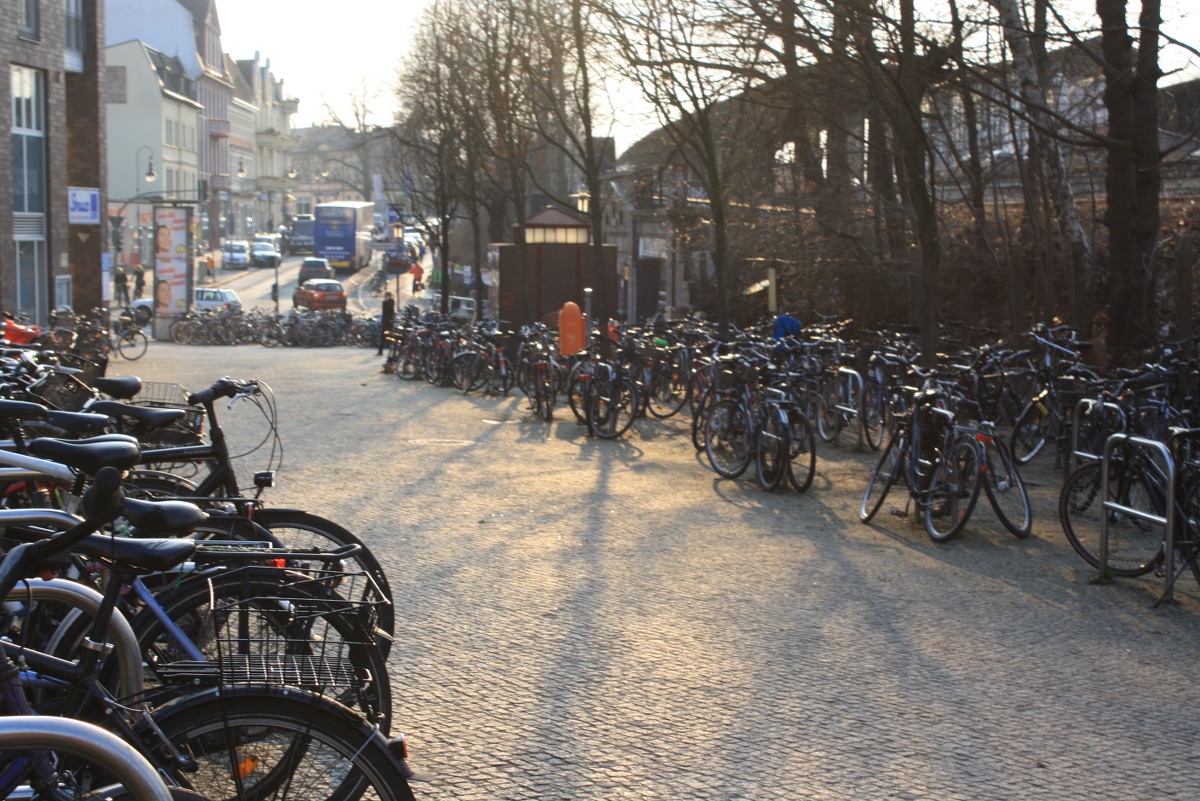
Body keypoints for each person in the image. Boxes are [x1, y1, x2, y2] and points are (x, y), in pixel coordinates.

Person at [377, 291, 396, 356]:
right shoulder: (385, 302)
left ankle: (392, 350)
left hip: (389, 322)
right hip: (385, 322)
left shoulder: (391, 302)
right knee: (383, 337)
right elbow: (384, 313)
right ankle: (380, 351)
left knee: (389, 336)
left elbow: (388, 310)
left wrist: (387, 301)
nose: (385, 298)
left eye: (386, 296)